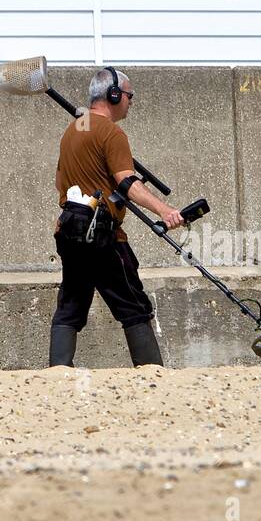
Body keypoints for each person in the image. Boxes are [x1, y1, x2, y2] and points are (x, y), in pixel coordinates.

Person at [48, 67, 183, 367]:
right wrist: (165, 211)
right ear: (113, 95)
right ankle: (152, 376)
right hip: (104, 238)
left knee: (70, 307)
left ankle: (57, 373)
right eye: (129, 95)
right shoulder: (112, 132)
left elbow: (60, 182)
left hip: (70, 233)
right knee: (134, 306)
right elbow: (126, 182)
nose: (131, 101)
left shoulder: (73, 130)